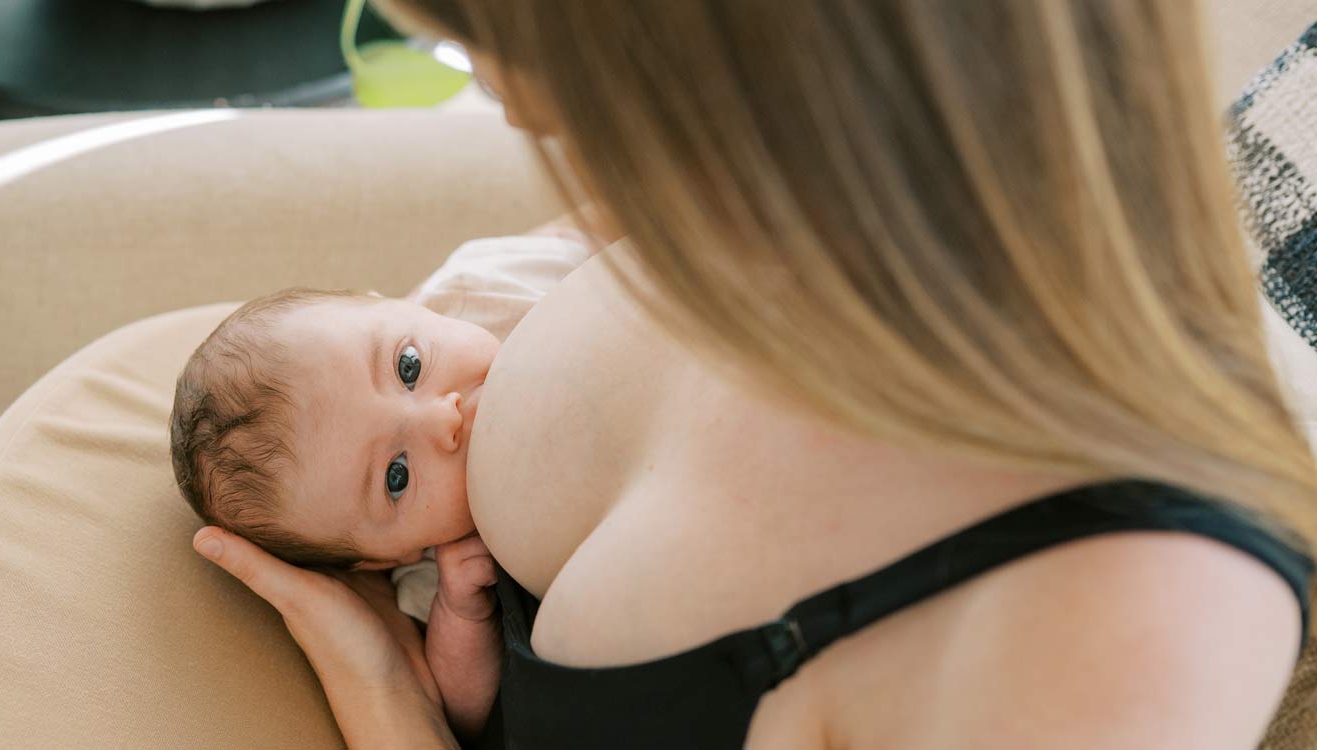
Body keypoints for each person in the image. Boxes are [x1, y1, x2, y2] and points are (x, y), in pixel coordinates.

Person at [190, 1, 1317, 747]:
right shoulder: (739, 211)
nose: (514, 102)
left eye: (512, 43)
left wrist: (388, 710)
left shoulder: (1127, 627)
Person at [169, 232, 595, 737]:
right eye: (398, 477)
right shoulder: (439, 572)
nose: (443, 419)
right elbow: (463, 714)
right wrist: (463, 612)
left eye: (408, 366)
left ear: (395, 304)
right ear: (388, 556)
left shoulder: (491, 286)